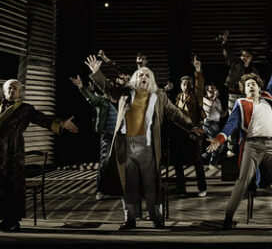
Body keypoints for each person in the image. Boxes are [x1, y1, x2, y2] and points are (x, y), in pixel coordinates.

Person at [85, 56, 203, 230]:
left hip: (147, 145)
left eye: (147, 75)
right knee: (128, 183)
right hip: (126, 145)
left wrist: (190, 127)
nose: (143, 77)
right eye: (140, 74)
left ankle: (156, 217)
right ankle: (130, 218)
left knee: (151, 183)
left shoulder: (159, 96)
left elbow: (174, 113)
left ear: (151, 79)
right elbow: (108, 89)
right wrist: (96, 72)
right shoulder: (125, 92)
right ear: (135, 78)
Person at [0, 73, 78, 232]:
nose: (12, 90)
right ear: (4, 91)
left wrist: (62, 123)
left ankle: (13, 220)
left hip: (12, 149)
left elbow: (42, 119)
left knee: (11, 183)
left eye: (15, 88)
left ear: (19, 93)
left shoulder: (26, 109)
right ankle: (3, 219)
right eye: (9, 88)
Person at [206, 43, 272, 230]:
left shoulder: (268, 98)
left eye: (253, 84)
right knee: (242, 181)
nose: (250, 86)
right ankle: (228, 218)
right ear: (244, 90)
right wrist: (219, 139)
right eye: (247, 85)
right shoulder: (241, 103)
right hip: (252, 146)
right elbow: (230, 125)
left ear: (259, 87)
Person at [69, 75, 117, 201]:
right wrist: (82, 87)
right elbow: (93, 100)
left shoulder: (121, 100)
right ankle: (101, 190)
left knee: (119, 164)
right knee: (105, 162)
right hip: (108, 134)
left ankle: (116, 190)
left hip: (121, 135)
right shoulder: (102, 100)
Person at [169, 56, 208, 197]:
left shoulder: (195, 96)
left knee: (197, 160)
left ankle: (202, 188)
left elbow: (200, 86)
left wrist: (198, 70)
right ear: (181, 85)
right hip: (181, 133)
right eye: (184, 84)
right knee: (177, 161)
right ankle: (181, 188)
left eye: (188, 84)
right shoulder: (178, 97)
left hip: (194, 131)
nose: (186, 86)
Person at [220, 30, 260, 156]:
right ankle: (231, 148)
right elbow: (227, 54)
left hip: (247, 97)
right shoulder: (235, 64)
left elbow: (258, 85)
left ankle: (245, 147)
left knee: (247, 122)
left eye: (247, 56)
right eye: (243, 55)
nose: (244, 58)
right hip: (233, 96)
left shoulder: (254, 71)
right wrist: (224, 42)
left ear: (251, 57)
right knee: (233, 120)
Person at [200, 82, 226, 165]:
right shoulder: (204, 99)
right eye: (210, 91)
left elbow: (222, 114)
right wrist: (214, 96)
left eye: (214, 90)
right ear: (206, 91)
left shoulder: (217, 101)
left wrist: (229, 110)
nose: (213, 92)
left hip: (216, 124)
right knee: (218, 144)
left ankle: (204, 156)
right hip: (208, 124)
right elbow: (209, 105)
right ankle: (212, 163)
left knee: (219, 144)